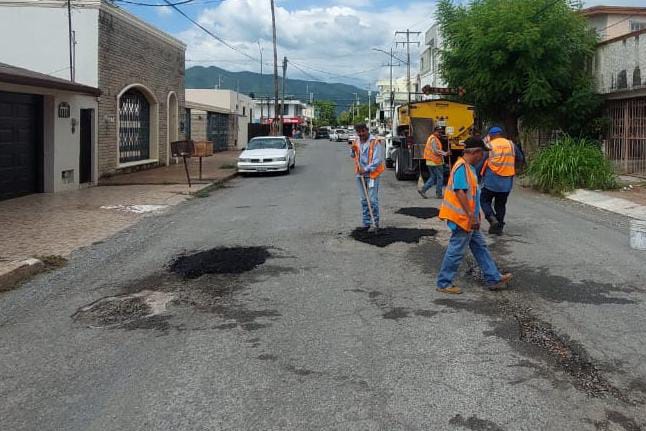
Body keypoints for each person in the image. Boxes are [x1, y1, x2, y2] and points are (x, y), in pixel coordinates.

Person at [436, 136, 512, 294]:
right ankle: (444, 283)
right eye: (483, 153)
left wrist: (475, 216)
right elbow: (460, 192)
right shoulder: (462, 168)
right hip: (462, 219)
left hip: (469, 219)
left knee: (480, 247)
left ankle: (494, 278)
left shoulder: (468, 168)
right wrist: (471, 215)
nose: (483, 157)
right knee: (456, 251)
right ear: (476, 152)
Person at [479, 126, 524, 235]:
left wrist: (476, 176)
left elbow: (481, 161)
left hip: (491, 180)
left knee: (484, 200)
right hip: (506, 182)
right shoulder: (511, 144)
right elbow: (520, 158)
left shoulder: (490, 145)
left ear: (491, 135)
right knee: (500, 204)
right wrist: (513, 168)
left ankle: (491, 218)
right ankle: (498, 228)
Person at [349, 123, 385, 232]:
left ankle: (375, 223)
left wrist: (366, 169)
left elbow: (377, 160)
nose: (361, 134)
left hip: (372, 174)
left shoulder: (375, 142)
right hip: (360, 175)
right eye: (358, 132)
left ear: (367, 130)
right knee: (364, 200)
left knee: (372, 200)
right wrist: (352, 149)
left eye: (363, 131)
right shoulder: (356, 141)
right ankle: (366, 223)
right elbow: (352, 155)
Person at [419, 126, 449, 199]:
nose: (440, 133)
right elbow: (435, 151)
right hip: (435, 161)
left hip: (431, 161)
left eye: (441, 132)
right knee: (439, 177)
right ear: (434, 131)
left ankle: (423, 190)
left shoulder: (432, 138)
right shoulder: (433, 139)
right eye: (439, 132)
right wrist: (445, 153)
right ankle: (438, 194)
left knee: (433, 177)